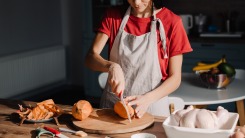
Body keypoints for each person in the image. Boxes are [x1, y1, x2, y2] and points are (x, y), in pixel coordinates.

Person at [85, 0, 193, 118]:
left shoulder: (172, 22)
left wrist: (147, 99)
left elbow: (175, 79)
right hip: (113, 108)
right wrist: (112, 66)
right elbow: (90, 57)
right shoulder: (113, 16)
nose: (136, 3)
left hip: (153, 108)